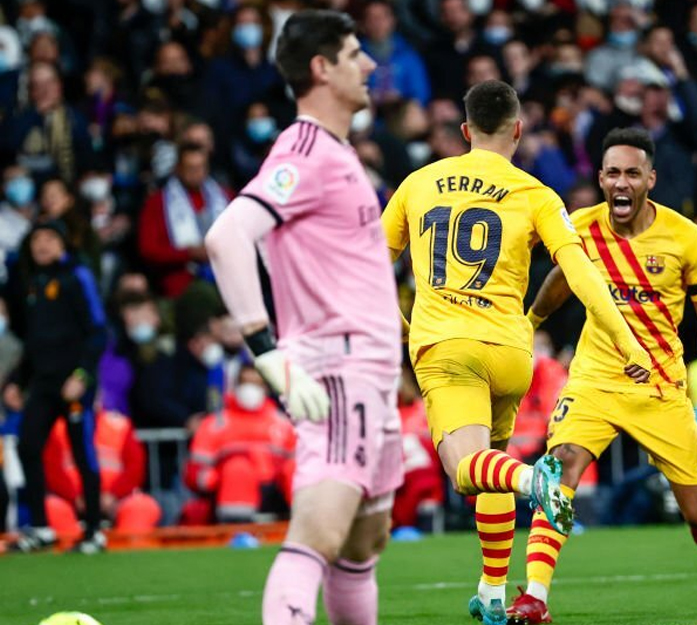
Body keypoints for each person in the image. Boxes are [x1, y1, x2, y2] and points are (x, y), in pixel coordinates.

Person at [380, 80, 652, 625]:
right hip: (510, 351)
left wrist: (402, 325)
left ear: (465, 130)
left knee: (467, 470)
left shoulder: (418, 183)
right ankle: (492, 592)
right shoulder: (537, 193)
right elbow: (580, 272)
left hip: (448, 348)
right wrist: (628, 340)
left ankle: (535, 481)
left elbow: (367, 268)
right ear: (519, 130)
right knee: (492, 467)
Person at [203, 11, 401, 625]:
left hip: (371, 373)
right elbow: (227, 236)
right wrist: (266, 351)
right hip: (338, 369)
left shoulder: (335, 152)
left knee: (363, 542)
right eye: (354, 53)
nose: (369, 64)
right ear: (321, 68)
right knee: (318, 533)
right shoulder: (305, 150)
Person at [507, 127, 697, 624]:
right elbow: (562, 278)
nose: (621, 182)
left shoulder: (686, 238)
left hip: (659, 388)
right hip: (593, 380)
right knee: (560, 467)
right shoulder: (581, 228)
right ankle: (535, 596)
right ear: (601, 178)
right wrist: (531, 321)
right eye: (613, 173)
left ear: (651, 179)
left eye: (632, 173)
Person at [4, 220, 106, 553]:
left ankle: (94, 530)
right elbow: (34, 342)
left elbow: (98, 331)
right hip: (44, 383)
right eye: (36, 239)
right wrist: (18, 381)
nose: (42, 244)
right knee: (28, 446)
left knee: (82, 453)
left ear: (63, 243)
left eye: (49, 238)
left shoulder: (78, 276)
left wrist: (82, 375)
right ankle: (41, 528)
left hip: (73, 382)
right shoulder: (34, 284)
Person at [183, 366, 295, 524]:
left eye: (256, 384)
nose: (250, 388)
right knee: (237, 468)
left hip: (275, 491)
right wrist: (214, 478)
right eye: (245, 382)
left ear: (265, 388)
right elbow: (195, 470)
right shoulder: (216, 424)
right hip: (229, 491)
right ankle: (236, 530)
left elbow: (298, 463)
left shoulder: (281, 423)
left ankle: (305, 526)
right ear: (236, 386)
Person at [43, 408, 161, 538]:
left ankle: (128, 548)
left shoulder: (120, 426)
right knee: (50, 507)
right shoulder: (56, 428)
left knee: (142, 507)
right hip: (71, 501)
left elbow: (135, 467)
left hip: (116, 500)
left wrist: (113, 495)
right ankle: (73, 547)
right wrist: (76, 497)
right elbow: (52, 470)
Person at [136, 142, 229, 298]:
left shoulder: (224, 197)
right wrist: (189, 253)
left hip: (225, 279)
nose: (196, 173)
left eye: (200, 167)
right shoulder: (158, 203)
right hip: (181, 286)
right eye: (190, 168)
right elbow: (148, 250)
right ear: (178, 168)